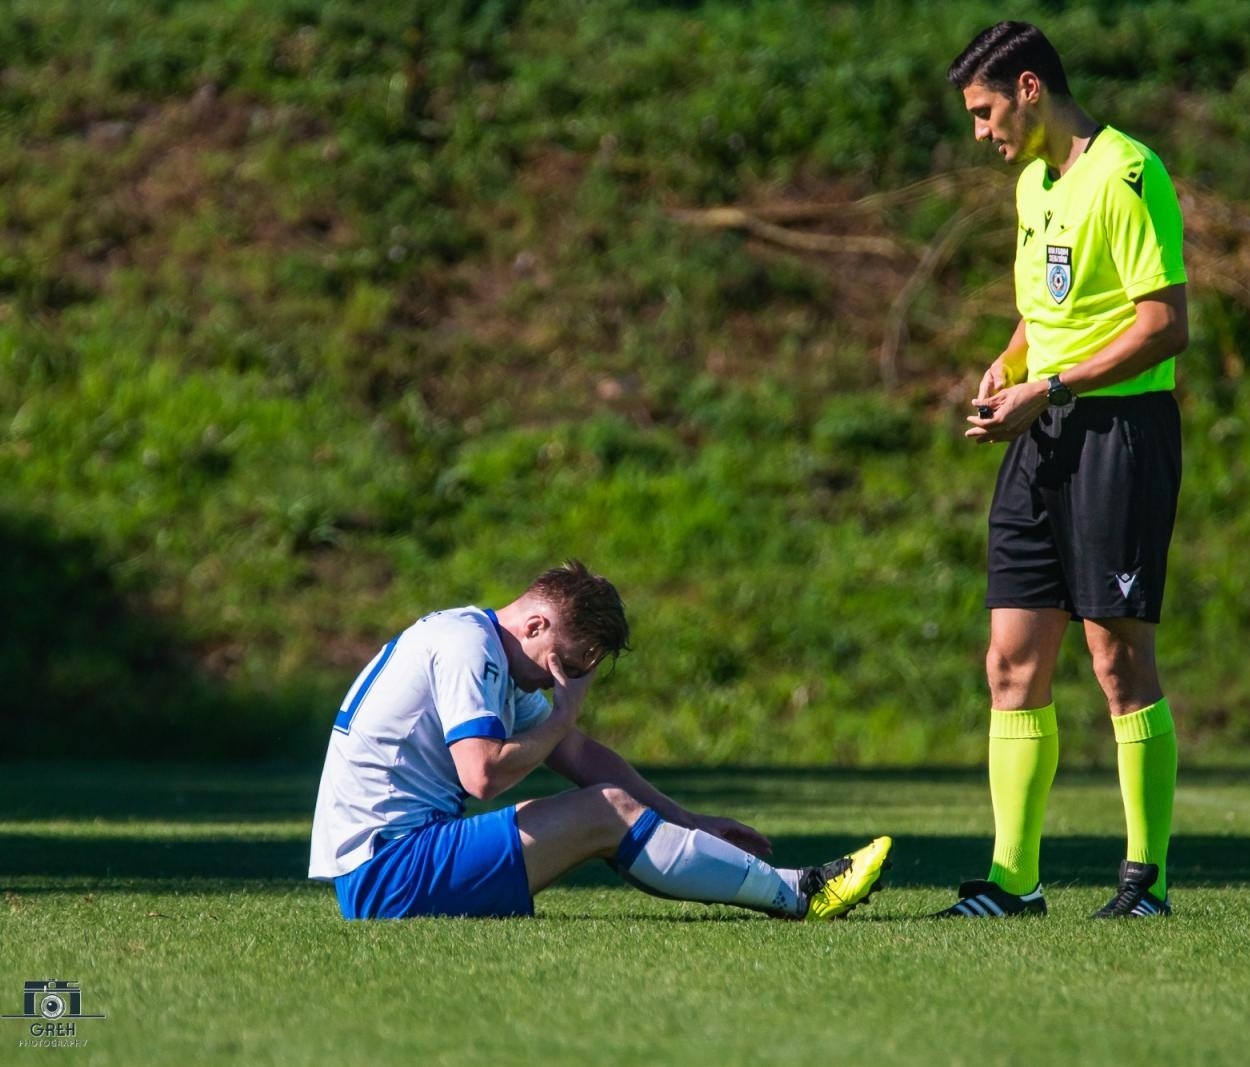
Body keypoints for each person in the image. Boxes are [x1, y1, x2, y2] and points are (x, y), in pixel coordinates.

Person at [938, 22, 1188, 919]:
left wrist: (1050, 385)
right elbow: (1048, 310)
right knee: (1011, 658)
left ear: (1031, 89)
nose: (981, 132)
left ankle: (1145, 881)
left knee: (1116, 656)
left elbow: (1164, 324)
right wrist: (1011, 362)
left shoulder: (1127, 175)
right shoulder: (1034, 187)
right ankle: (1014, 881)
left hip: (1119, 433)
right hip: (1042, 433)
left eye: (986, 110)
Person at [309, 560, 891, 920]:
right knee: (605, 813)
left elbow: (580, 755)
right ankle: (802, 894)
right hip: (388, 873)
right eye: (562, 664)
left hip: (391, 865)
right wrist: (562, 715)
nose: (556, 680)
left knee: (607, 806)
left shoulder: (481, 643)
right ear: (535, 625)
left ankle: (793, 891)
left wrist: (687, 818)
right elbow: (482, 775)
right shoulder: (472, 650)